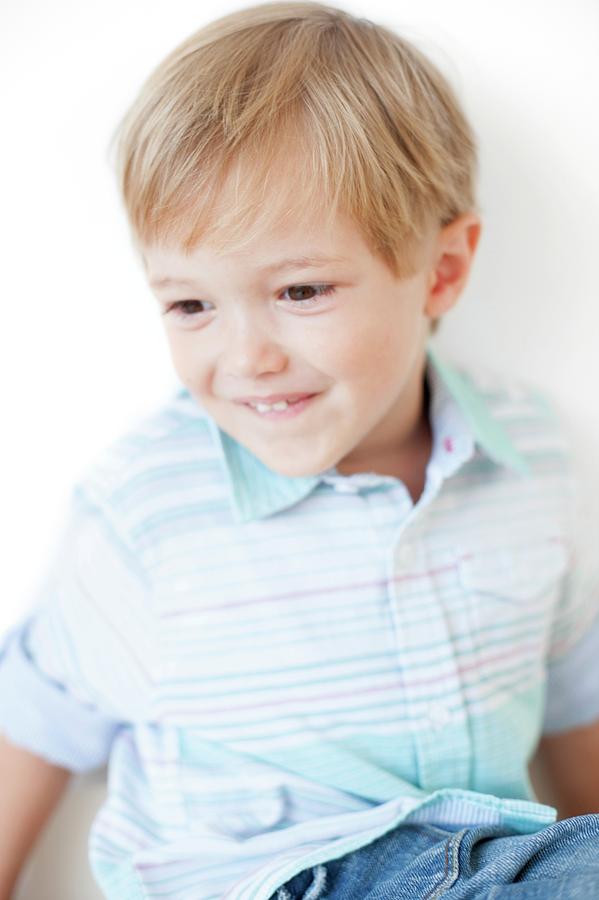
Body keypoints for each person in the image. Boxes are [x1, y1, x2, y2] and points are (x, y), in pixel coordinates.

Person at [1, 3, 598, 898]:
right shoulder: (150, 504)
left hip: (486, 870)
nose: (246, 359)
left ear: (440, 270)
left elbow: (574, 703)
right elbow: (34, 724)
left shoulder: (530, 459)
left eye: (300, 289)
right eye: (191, 306)